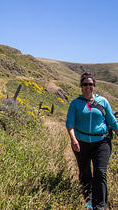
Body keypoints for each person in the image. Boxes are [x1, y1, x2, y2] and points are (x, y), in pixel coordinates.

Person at [66, 72, 118, 210]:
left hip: (101, 142)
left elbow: (112, 121)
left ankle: (100, 206)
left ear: (94, 85)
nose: (88, 87)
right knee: (85, 173)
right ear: (81, 86)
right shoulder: (75, 103)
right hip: (81, 143)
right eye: (85, 84)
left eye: (90, 84)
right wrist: (73, 139)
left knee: (100, 172)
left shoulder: (103, 101)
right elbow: (70, 123)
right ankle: (88, 201)